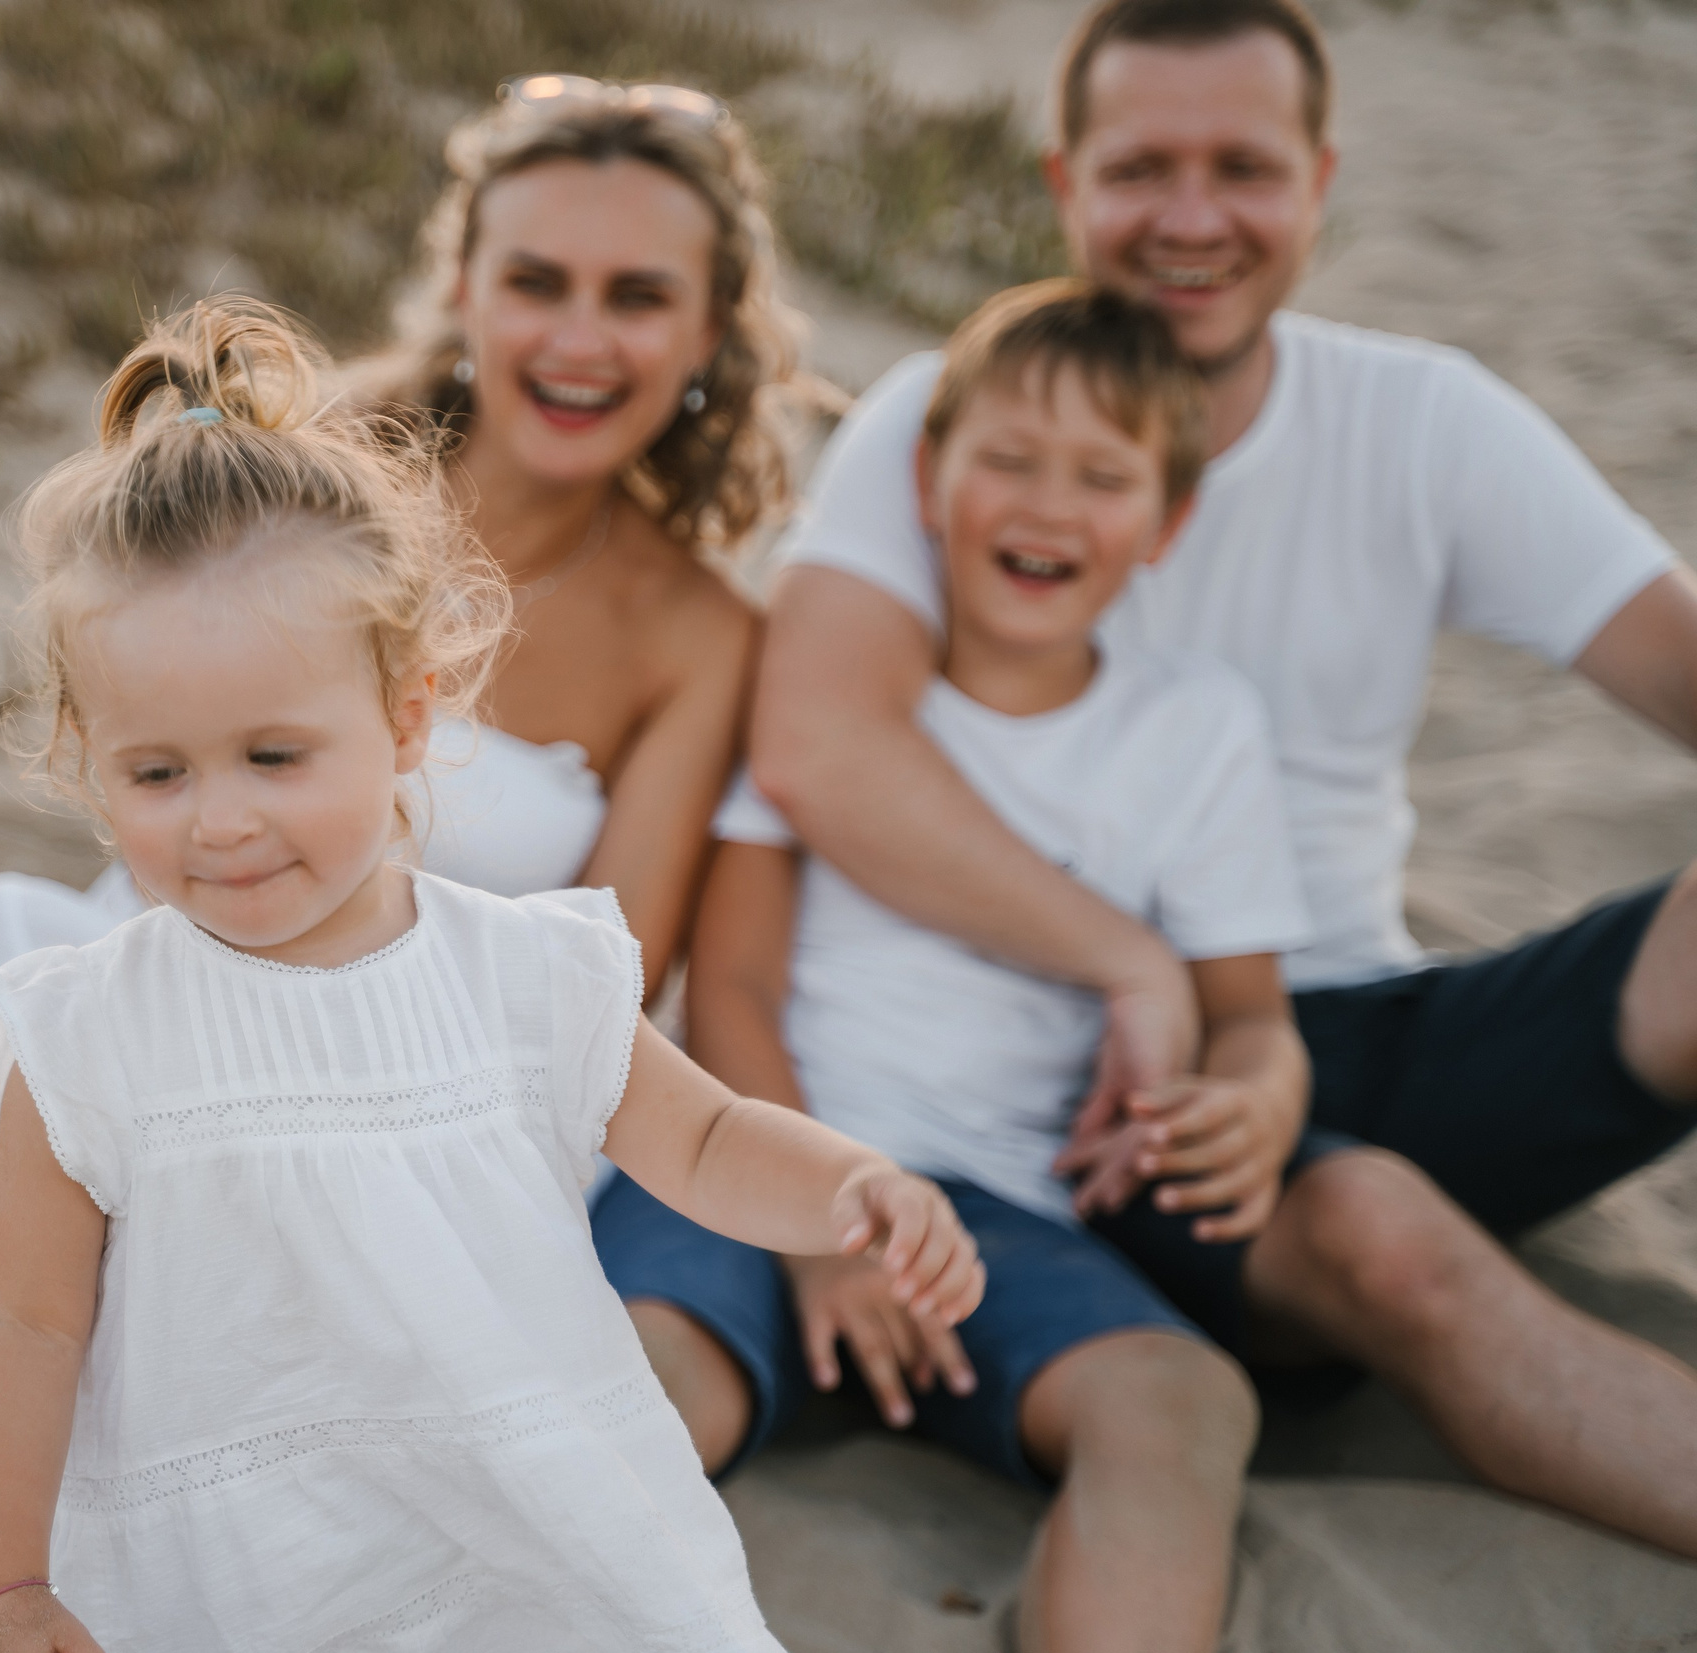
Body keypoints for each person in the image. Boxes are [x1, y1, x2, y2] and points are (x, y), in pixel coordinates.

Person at [706, 0, 1697, 1557]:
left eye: (1241, 168)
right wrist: (1135, 967)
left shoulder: (1419, 418)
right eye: (1141, 167)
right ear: (1066, 181)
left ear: (1317, 180)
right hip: (1106, 1098)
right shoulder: (951, 423)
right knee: (1381, 1238)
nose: (1190, 218)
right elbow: (820, 750)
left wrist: (1231, 1037)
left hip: (1350, 1025)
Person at [0, 298, 983, 1653]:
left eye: (274, 753)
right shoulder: (88, 1038)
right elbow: (22, 1324)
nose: (223, 821)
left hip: (517, 1543)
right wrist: (5, 1589)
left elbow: (708, 1143)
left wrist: (852, 1189)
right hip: (234, 1571)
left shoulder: (528, 973)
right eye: (158, 774)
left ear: (410, 716)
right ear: (87, 763)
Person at [0, 76, 814, 1463]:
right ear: (465, 284)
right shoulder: (302, 462)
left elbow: (614, 963)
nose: (580, 339)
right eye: (536, 279)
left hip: (429, 1072)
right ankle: (77, 1439)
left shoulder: (703, 634)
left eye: (638, 296)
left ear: (711, 329)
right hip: (169, 965)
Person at [696, 279, 1304, 1653]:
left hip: (992, 1212)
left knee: (1182, 1400)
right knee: (648, 1381)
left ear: (1166, 524)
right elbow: (727, 987)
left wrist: (1260, 1105)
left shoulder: (1194, 732)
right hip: (755, 1156)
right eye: (1009, 460)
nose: (1047, 506)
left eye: (1104, 477)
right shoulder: (846, 699)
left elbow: (1255, 1014)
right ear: (927, 477)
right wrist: (812, 1235)